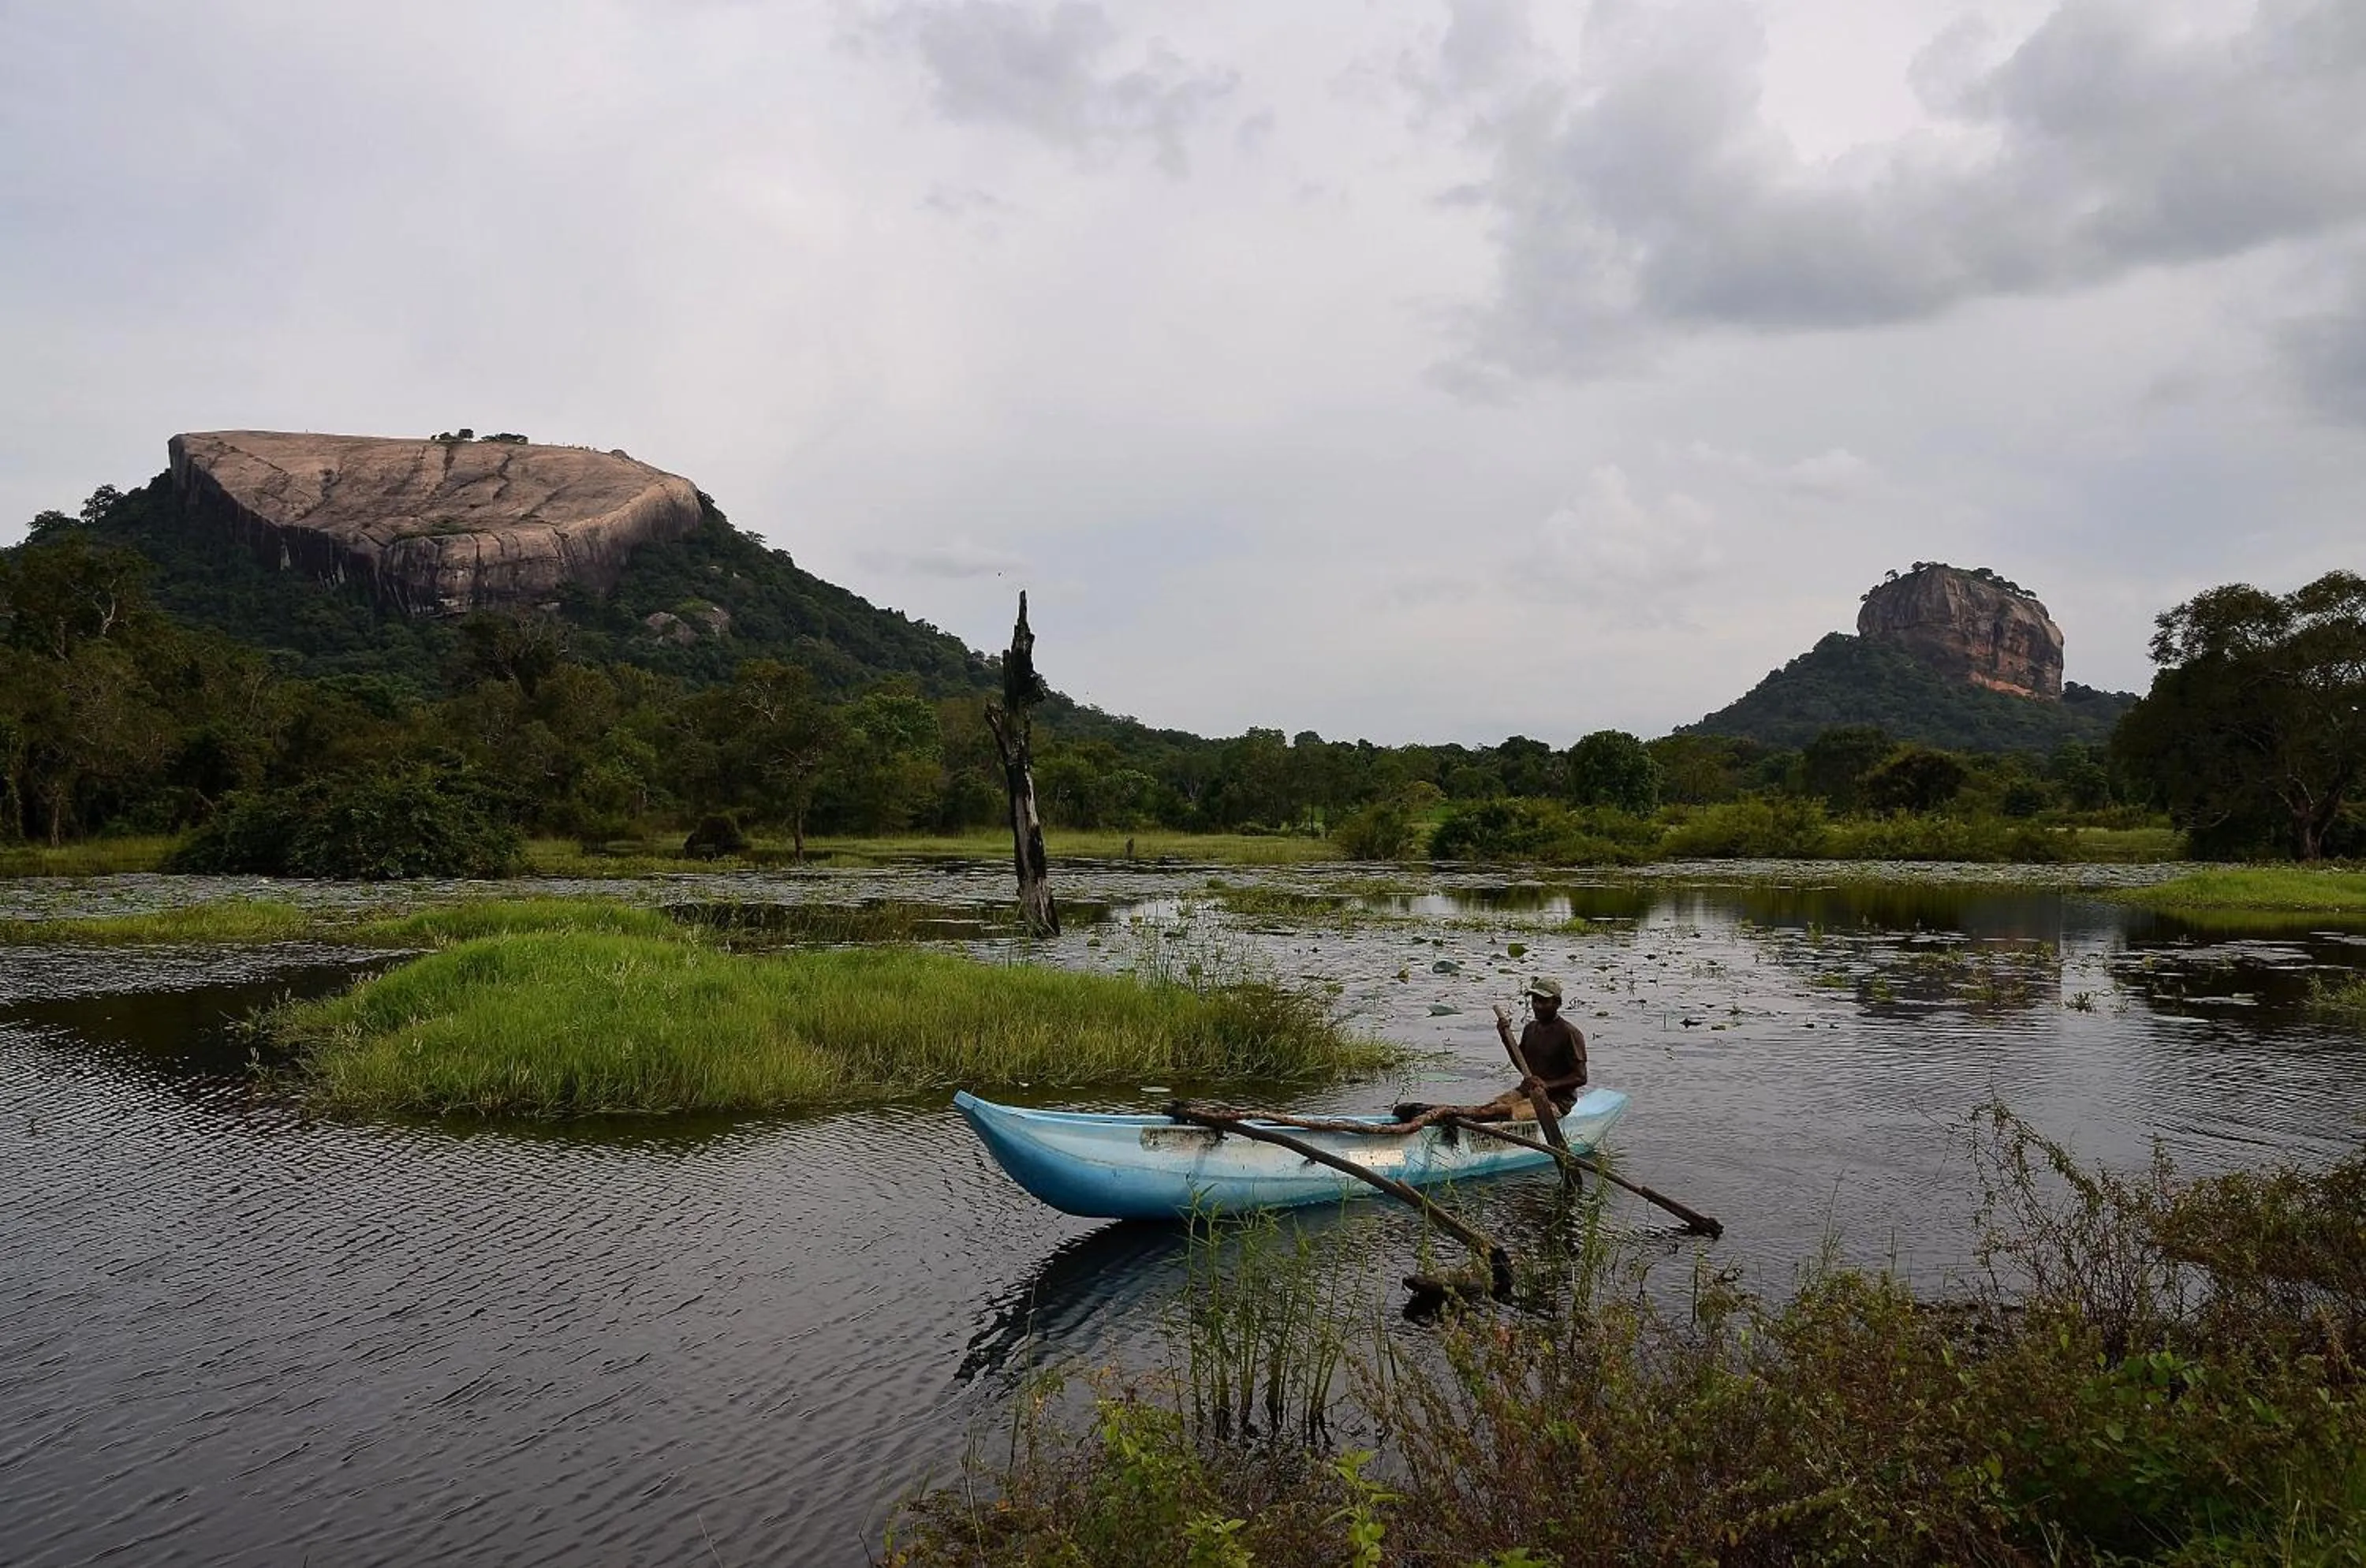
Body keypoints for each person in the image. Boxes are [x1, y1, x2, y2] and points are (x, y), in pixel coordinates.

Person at [1392, 976, 1588, 1126]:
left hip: (1555, 1102)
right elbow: (1523, 1066)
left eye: (1544, 1002)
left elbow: (1580, 1077)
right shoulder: (1531, 1029)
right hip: (1527, 1092)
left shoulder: (1569, 1033)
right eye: (1535, 1001)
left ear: (1557, 1003)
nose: (1538, 1006)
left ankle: (1448, 1114)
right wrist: (1504, 1037)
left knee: (1503, 1113)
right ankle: (1442, 1113)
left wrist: (1546, 1085)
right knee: (1489, 1108)